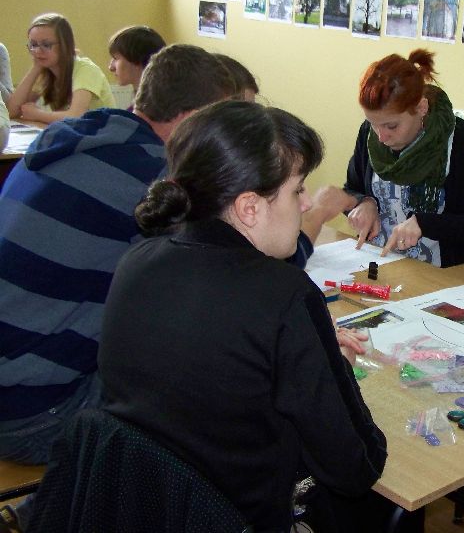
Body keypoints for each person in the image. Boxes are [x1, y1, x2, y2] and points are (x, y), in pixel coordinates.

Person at [98, 101, 388, 532]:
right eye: (297, 189)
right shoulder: (283, 295)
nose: (308, 202)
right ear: (249, 207)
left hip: (144, 508)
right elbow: (357, 465)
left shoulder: (137, 261)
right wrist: (336, 367)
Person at [0, 45, 235, 472]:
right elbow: (233, 279)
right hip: (32, 414)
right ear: (192, 119)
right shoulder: (155, 179)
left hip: (12, 382)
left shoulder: (70, 138)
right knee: (212, 386)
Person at [339, 48, 464, 267]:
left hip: (435, 275)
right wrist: (364, 202)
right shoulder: (370, 135)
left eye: (392, 126)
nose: (381, 137)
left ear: (421, 107)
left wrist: (426, 224)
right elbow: (350, 190)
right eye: (373, 124)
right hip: (374, 263)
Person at [7, 13, 115, 124]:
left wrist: (37, 114)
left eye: (46, 45)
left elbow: (76, 116)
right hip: (77, 133)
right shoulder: (46, 72)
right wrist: (36, 68)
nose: (38, 51)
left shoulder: (86, 69)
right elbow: (11, 112)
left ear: (65, 45)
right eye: (33, 45)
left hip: (103, 133)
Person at [107, 25, 166, 106]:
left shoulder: (162, 107)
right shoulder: (141, 104)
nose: (111, 67)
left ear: (137, 58)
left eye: (116, 58)